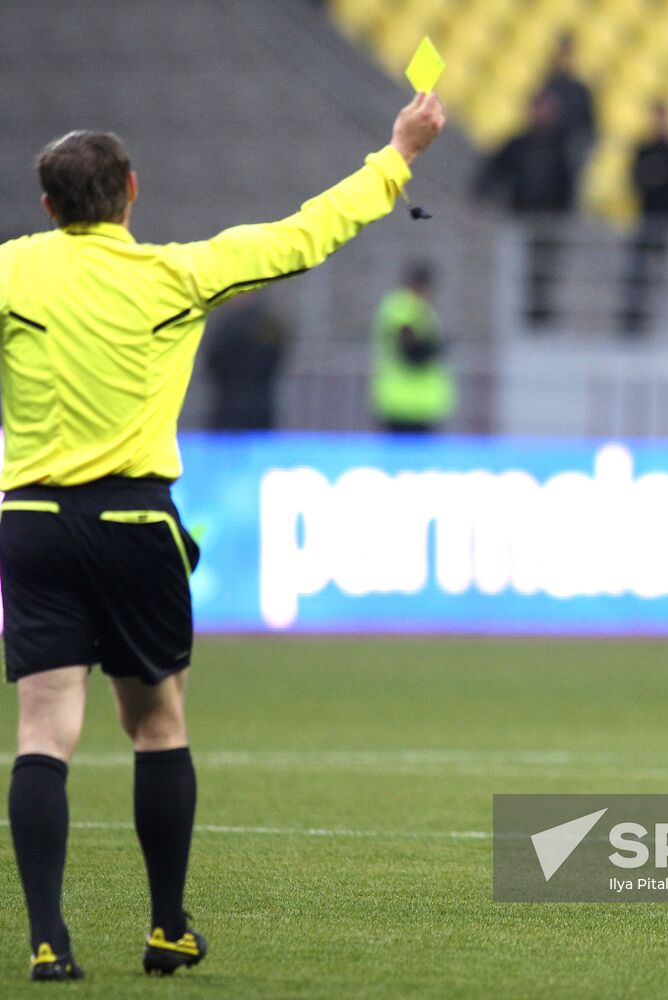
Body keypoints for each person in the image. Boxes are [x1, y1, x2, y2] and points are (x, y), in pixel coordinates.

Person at [0, 93, 445, 980]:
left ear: (47, 206)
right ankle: (167, 927)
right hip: (133, 521)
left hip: (32, 522)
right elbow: (303, 235)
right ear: (131, 192)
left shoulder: (11, 272)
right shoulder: (177, 274)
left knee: (43, 732)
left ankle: (48, 940)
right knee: (157, 725)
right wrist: (397, 155)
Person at [471, 91, 574, 327]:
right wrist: (479, 199)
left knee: (543, 279)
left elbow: (568, 186)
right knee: (517, 275)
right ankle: (518, 324)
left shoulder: (560, 147)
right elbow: (492, 171)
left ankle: (541, 326)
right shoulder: (518, 144)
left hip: (548, 224)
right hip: (520, 221)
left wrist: (563, 217)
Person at [619, 99, 668, 337]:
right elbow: (636, 180)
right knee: (638, 274)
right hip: (648, 218)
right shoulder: (643, 149)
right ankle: (633, 325)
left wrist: (656, 178)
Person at [372, 261, 455, 432]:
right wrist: (438, 347)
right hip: (403, 405)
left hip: (417, 405)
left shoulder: (418, 309)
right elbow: (411, 353)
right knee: (404, 457)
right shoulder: (402, 309)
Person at [203, 292, 290, 430]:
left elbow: (214, 359)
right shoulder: (269, 324)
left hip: (231, 402)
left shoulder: (229, 325)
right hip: (259, 402)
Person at [537, 31, 597, 201]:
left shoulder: (579, 90)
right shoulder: (547, 86)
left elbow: (589, 127)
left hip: (568, 154)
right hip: (549, 154)